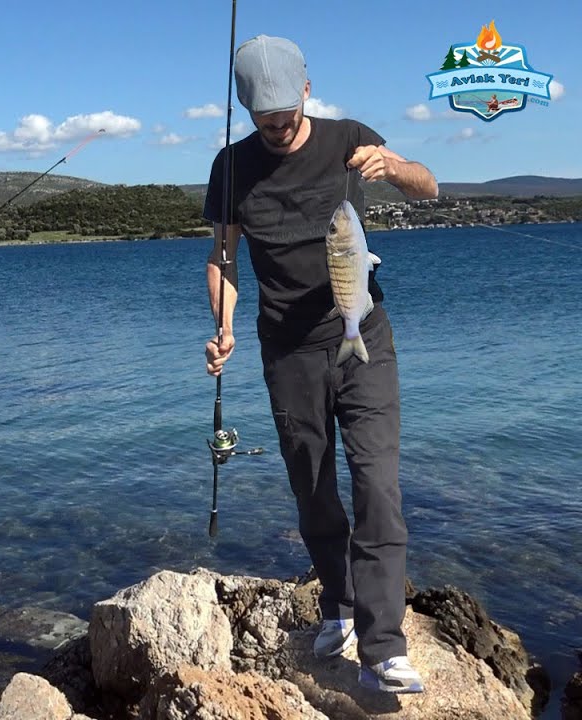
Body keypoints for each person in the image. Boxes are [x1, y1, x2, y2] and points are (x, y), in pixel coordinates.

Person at [202, 35, 438, 694]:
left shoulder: (348, 140)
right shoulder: (232, 167)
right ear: (247, 110)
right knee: (313, 490)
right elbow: (222, 260)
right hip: (287, 352)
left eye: (286, 115)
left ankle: (385, 647)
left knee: (378, 487)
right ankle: (337, 605)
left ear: (306, 91)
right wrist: (222, 326)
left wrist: (392, 166)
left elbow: (430, 185)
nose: (276, 129)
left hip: (363, 337)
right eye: (263, 120)